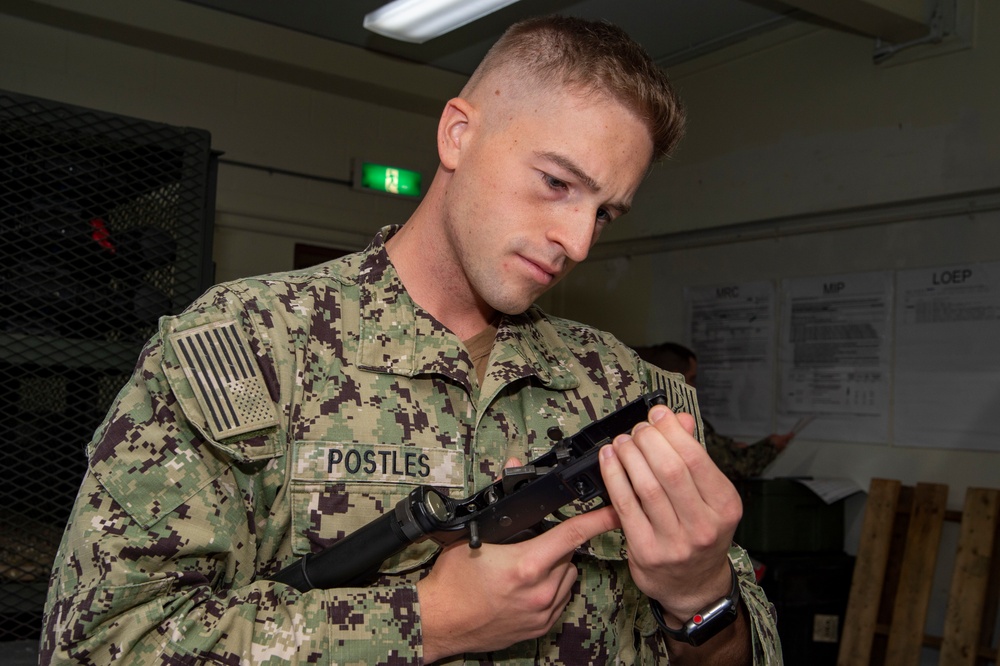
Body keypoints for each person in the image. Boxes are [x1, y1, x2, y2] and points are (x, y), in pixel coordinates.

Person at [40, 16, 781, 665]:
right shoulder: (245, 350)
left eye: (606, 213)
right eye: (557, 182)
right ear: (459, 134)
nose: (579, 240)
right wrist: (429, 621)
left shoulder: (626, 391)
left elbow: (736, 650)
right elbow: (106, 643)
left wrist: (699, 595)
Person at [634, 342, 794, 481]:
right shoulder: (676, 417)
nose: (693, 387)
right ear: (675, 377)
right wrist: (771, 446)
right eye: (691, 378)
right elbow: (735, 467)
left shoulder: (636, 409)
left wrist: (731, 448)